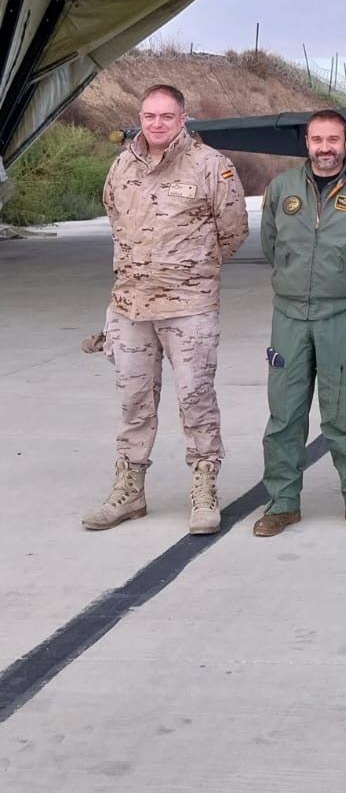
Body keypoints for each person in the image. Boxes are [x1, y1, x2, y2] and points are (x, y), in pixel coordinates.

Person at [84, 83, 248, 534]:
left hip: (188, 306)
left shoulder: (212, 166)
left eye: (166, 116)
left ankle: (204, 490)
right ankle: (129, 490)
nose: (156, 124)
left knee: (196, 399)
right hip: (130, 307)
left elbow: (233, 231)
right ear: (141, 118)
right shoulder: (123, 165)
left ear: (183, 118)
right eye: (149, 116)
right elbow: (116, 217)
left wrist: (190, 269)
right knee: (133, 402)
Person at [253, 110, 346, 537]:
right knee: (284, 414)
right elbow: (270, 243)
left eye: (333, 139)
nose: (325, 147)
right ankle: (282, 503)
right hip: (289, 316)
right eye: (317, 139)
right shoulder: (281, 190)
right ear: (307, 143)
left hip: (344, 317)